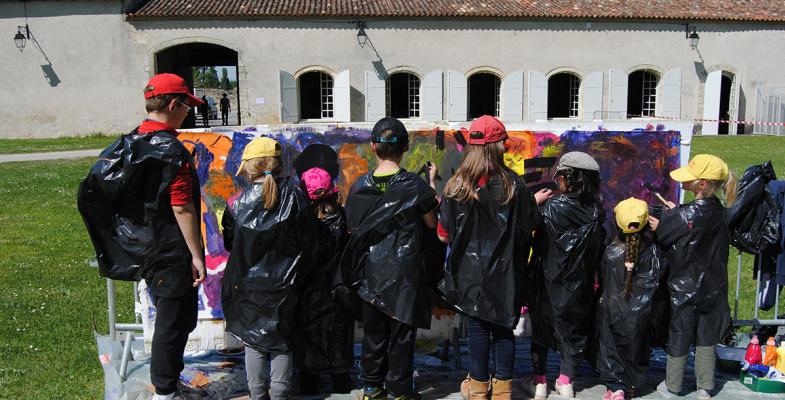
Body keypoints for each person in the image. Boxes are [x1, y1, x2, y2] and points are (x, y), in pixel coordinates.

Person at [78, 73, 206, 400]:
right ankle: (165, 392)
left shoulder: (131, 141)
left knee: (176, 317)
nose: (188, 112)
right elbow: (183, 208)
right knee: (172, 323)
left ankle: (168, 381)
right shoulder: (171, 150)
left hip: (146, 245)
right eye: (187, 105)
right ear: (173, 104)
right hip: (170, 248)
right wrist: (195, 255)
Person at [436, 116, 545, 400]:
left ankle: (477, 388)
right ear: (500, 147)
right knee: (503, 330)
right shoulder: (515, 186)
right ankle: (503, 391)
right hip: (506, 273)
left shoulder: (456, 186)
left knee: (477, 330)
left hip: (469, 274)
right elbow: (530, 226)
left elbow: (443, 235)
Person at [339, 117, 439, 400]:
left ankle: (372, 387)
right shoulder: (414, 186)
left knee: (374, 334)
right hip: (404, 272)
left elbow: (352, 229)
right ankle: (400, 391)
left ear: (373, 147)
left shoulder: (358, 186)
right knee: (401, 335)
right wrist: (431, 185)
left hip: (369, 272)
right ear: (405, 147)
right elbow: (432, 224)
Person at [221, 137, 318, 400]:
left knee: (253, 343)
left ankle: (256, 395)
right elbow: (310, 240)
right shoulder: (297, 197)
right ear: (279, 166)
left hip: (249, 287)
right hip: (287, 285)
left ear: (249, 168)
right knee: (282, 343)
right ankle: (280, 394)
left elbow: (231, 244)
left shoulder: (234, 204)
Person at [650, 154, 737, 400]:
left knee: (680, 332)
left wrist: (662, 223)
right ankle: (705, 388)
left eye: (689, 178)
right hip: (713, 286)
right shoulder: (721, 212)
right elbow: (691, 222)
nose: (683, 181)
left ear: (702, 184)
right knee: (706, 336)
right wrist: (675, 213)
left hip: (684, 286)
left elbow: (665, 235)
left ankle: (673, 386)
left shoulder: (685, 215)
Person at [525, 151, 606, 399]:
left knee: (541, 331)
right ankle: (566, 381)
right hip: (578, 285)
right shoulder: (596, 211)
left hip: (545, 282)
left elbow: (528, 235)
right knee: (573, 333)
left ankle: (540, 382)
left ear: (567, 177)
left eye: (559, 174)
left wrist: (533, 204)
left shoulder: (550, 208)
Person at [597, 198, 665, 400]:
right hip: (641, 313)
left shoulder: (610, 252)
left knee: (611, 346)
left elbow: (603, 277)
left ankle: (616, 387)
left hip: (612, 310)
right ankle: (630, 385)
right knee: (635, 346)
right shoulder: (653, 251)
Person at [295, 166, 354, 395]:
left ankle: (309, 381)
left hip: (308, 292)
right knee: (338, 336)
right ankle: (341, 379)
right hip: (337, 290)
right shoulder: (343, 219)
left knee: (309, 338)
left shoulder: (302, 223)